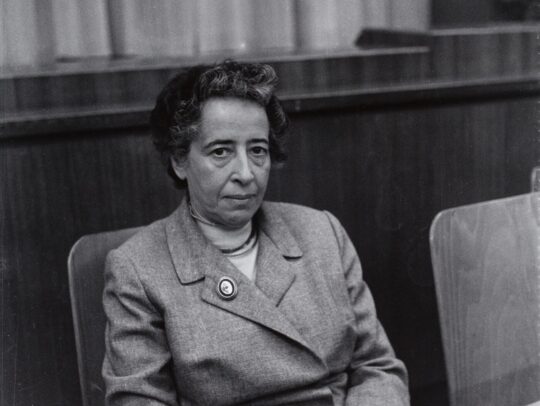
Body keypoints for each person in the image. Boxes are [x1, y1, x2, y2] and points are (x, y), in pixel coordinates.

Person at [102, 60, 409, 406]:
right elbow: (139, 400)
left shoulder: (322, 233)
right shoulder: (138, 269)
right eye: (221, 152)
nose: (246, 174)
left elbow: (377, 367)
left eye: (257, 150)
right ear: (180, 161)